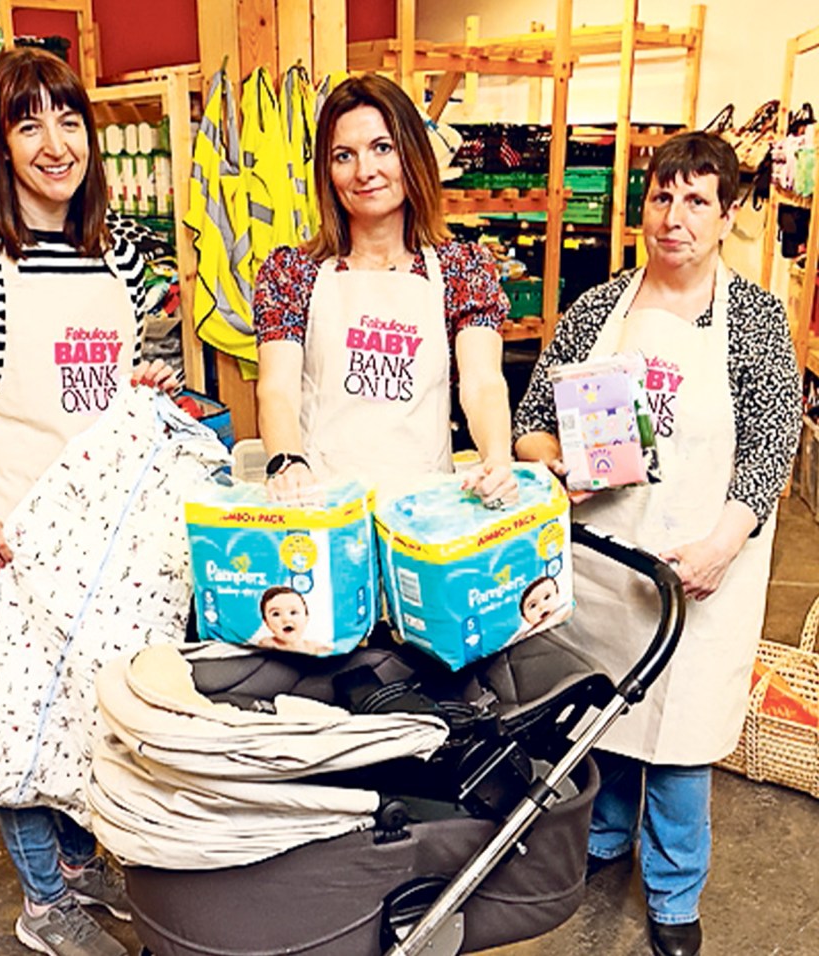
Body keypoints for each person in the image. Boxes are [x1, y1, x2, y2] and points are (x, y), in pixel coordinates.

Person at [0, 48, 178, 956]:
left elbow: (120, 377)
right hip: (8, 525)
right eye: (29, 124)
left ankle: (78, 864)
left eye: (68, 120)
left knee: (95, 707)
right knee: (10, 712)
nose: (54, 144)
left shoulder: (122, 252)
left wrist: (143, 380)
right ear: (1, 142)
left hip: (100, 533)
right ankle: (41, 900)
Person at [513, 131, 800, 956]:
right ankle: (604, 841)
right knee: (605, 716)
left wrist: (724, 542)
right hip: (608, 564)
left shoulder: (750, 318)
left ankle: (674, 894)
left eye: (698, 200)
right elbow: (533, 422)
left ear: (728, 213)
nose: (675, 218)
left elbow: (771, 442)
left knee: (679, 743)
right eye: (662, 197)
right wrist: (557, 462)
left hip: (707, 564)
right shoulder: (600, 307)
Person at [253, 73, 517, 505]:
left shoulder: (462, 269)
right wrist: (287, 462)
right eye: (344, 156)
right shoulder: (293, 272)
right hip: (322, 508)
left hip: (425, 515)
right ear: (327, 172)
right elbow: (277, 388)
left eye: (382, 148)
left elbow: (482, 383)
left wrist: (497, 459)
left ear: (410, 154)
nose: (365, 172)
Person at [250, 585, 321, 653]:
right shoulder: (269, 644)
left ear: (306, 617)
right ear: (266, 622)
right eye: (276, 614)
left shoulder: (315, 647)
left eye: (293, 612)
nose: (286, 619)